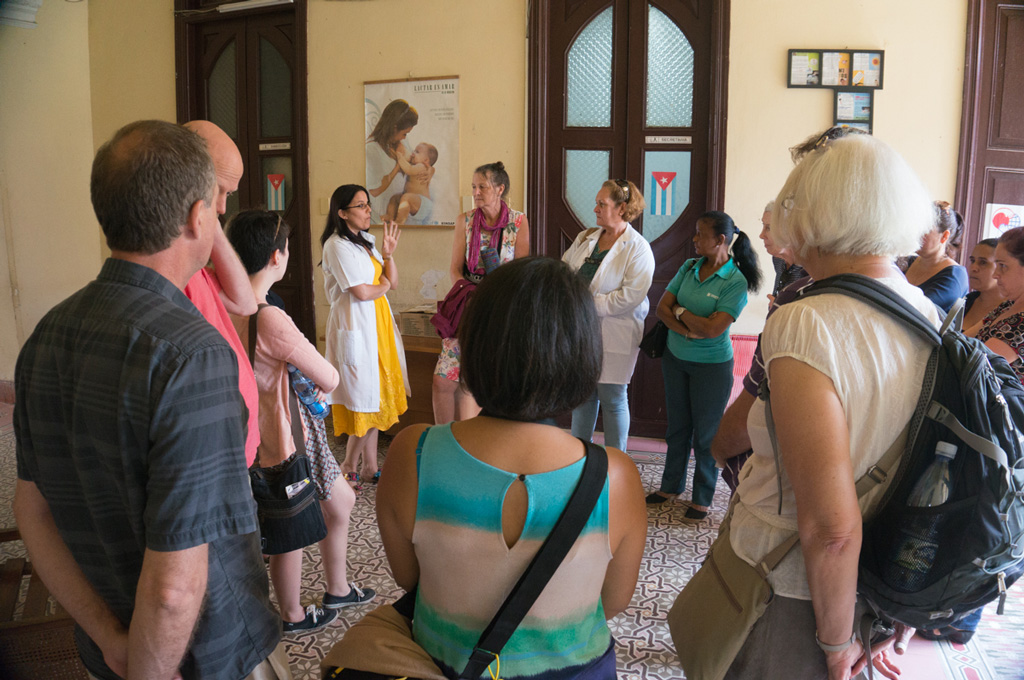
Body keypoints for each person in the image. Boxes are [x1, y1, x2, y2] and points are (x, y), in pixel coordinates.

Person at [13, 120, 287, 679]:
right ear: (197, 216)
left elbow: (31, 512)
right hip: (200, 656)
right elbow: (173, 589)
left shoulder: (48, 333)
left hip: (110, 645)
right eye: (216, 202)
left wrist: (110, 637)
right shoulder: (194, 356)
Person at [715, 132, 933, 680]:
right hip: (878, 580)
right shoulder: (925, 310)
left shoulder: (806, 322)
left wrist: (835, 646)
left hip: (795, 591)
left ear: (820, 213)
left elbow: (831, 529)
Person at [377, 256, 647, 680]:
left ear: (475, 344)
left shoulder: (414, 453)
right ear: (582, 351)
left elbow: (410, 577)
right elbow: (612, 601)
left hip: (444, 667)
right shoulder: (615, 476)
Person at [228, 210, 376, 634]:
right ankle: (292, 615)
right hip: (286, 436)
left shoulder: (229, 305)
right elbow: (327, 375)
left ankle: (337, 588)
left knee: (340, 502)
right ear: (277, 257)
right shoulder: (267, 315)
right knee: (288, 525)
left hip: (267, 430)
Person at [647, 211, 761, 523]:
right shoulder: (688, 267)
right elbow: (662, 309)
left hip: (711, 367)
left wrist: (679, 312)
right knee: (677, 428)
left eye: (700, 235)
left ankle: (702, 498)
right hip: (675, 357)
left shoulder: (735, 282)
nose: (695, 240)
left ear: (720, 240)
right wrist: (686, 325)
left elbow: (714, 330)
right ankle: (670, 486)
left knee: (706, 435)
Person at [181, 120, 261, 466]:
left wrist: (209, 221)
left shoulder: (198, 263)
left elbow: (244, 302)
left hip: (233, 449)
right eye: (221, 191)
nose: (225, 207)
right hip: (212, 458)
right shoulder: (176, 269)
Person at [321, 185, 409, 489]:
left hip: (378, 325)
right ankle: (347, 465)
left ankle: (371, 467)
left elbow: (392, 282)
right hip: (355, 326)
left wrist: (388, 255)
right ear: (342, 213)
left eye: (368, 204)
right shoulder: (336, 246)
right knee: (364, 401)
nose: (368, 210)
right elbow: (361, 291)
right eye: (360, 206)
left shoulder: (366, 242)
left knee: (378, 397)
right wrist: (383, 285)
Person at [432, 161, 530, 424]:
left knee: (476, 382)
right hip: (467, 304)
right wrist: (469, 292)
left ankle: (474, 442)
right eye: (474, 187)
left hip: (500, 308)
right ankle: (442, 439)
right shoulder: (464, 220)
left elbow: (521, 272)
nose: (476, 192)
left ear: (500, 189)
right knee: (443, 379)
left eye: (482, 187)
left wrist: (493, 296)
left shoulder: (518, 222)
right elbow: (455, 268)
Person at [561, 179, 654, 453]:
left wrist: (587, 304)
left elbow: (631, 296)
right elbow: (565, 270)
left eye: (602, 204)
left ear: (622, 208)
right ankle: (580, 456)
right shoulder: (586, 238)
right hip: (582, 330)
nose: (595, 208)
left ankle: (616, 460)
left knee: (612, 398)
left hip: (616, 329)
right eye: (597, 202)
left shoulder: (638, 248)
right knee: (584, 396)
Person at [966, 227, 1024, 384]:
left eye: (1003, 266)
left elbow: (974, 367)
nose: (995, 274)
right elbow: (963, 340)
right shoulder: (1008, 304)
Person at [904, 200, 968, 313]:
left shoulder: (954, 275)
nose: (917, 234)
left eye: (925, 230)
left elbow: (919, 310)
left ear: (944, 236)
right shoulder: (907, 262)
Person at [366, 99, 419, 223]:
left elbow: (412, 164)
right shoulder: (372, 149)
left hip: (401, 211)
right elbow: (374, 191)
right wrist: (398, 166)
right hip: (381, 216)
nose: (405, 137)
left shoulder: (401, 142)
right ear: (394, 128)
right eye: (404, 133)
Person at [384, 142, 438, 225]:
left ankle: (399, 221)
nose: (413, 153)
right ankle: (389, 216)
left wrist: (400, 157)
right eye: (414, 150)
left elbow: (409, 170)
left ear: (426, 160)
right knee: (395, 198)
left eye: (417, 152)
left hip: (423, 203)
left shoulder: (421, 166)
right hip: (414, 200)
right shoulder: (416, 165)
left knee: (406, 197)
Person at [763, 200, 806, 302]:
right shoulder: (778, 260)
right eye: (763, 226)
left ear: (791, 230)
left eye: (768, 228)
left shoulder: (810, 269)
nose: (761, 235)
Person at [962, 238, 1003, 329]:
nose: (973, 268)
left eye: (983, 262)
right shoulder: (967, 300)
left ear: (1001, 267)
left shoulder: (1010, 309)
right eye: (972, 261)